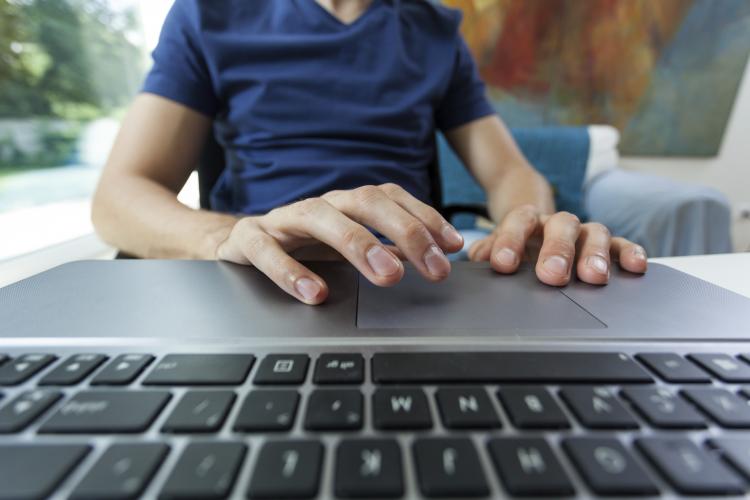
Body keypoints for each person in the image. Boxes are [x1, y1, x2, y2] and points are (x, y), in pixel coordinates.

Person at [91, 0, 648, 305]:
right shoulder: (208, 15)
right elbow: (119, 195)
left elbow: (508, 172)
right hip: (261, 281)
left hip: (414, 283)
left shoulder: (436, 32)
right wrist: (228, 237)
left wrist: (528, 223)